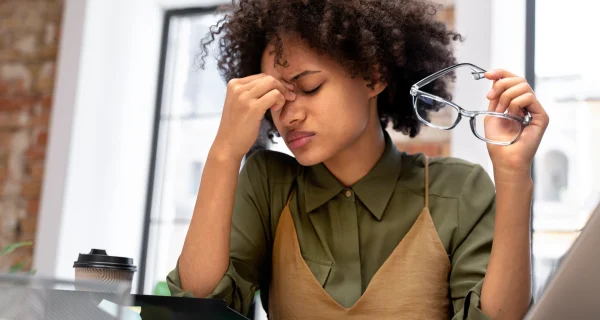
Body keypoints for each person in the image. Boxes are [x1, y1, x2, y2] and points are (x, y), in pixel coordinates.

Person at [167, 0, 549, 319]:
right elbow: (198, 306)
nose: (289, 114)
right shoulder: (268, 183)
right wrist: (224, 153)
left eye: (310, 87)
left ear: (373, 75)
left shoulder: (458, 190)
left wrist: (514, 176)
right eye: (276, 97)